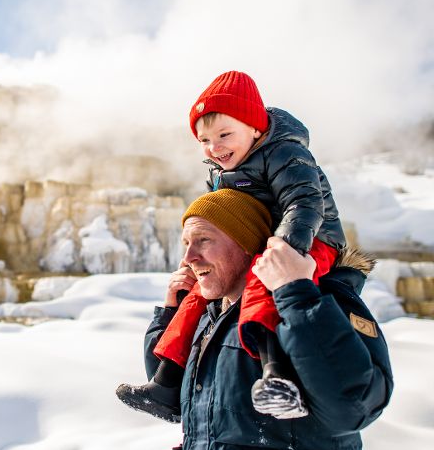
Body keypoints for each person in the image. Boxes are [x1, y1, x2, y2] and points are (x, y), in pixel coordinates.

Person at [139, 189, 392, 450]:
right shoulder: (213, 316)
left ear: (247, 244)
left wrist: (296, 293)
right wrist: (169, 313)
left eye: (204, 241)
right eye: (187, 244)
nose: (189, 258)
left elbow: (353, 405)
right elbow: (175, 398)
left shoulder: (319, 300)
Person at [117, 71, 346, 421]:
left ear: (256, 129)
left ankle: (276, 376)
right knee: (199, 295)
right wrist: (201, 256)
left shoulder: (284, 152)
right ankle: (167, 382)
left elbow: (304, 203)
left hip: (312, 240)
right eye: (205, 140)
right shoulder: (221, 171)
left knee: (261, 284)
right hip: (263, 242)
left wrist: (285, 249)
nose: (215, 147)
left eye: (225, 135)